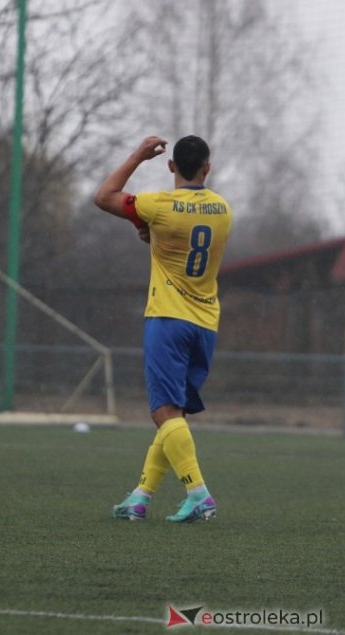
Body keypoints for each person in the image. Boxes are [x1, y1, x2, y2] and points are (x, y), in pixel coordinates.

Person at [94, 135, 232, 523]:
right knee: (175, 414)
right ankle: (140, 497)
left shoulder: (159, 206)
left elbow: (104, 196)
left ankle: (198, 493)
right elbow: (182, 240)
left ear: (171, 166)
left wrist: (139, 155)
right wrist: (152, 234)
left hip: (168, 320)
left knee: (164, 413)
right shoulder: (223, 209)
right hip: (205, 323)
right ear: (207, 167)